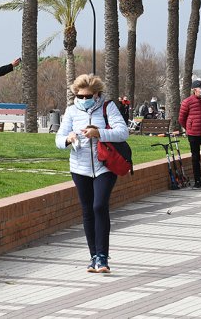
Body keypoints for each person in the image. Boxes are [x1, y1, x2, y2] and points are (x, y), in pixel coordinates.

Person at [56, 74, 128, 274]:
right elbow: (58, 138)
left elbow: (123, 132)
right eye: (79, 96)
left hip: (105, 165)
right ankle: (93, 257)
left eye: (87, 96)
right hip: (79, 168)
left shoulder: (108, 107)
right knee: (87, 210)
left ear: (96, 94)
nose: (83, 100)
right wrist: (68, 138)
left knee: (100, 206)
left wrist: (99, 133)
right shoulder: (71, 111)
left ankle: (103, 257)